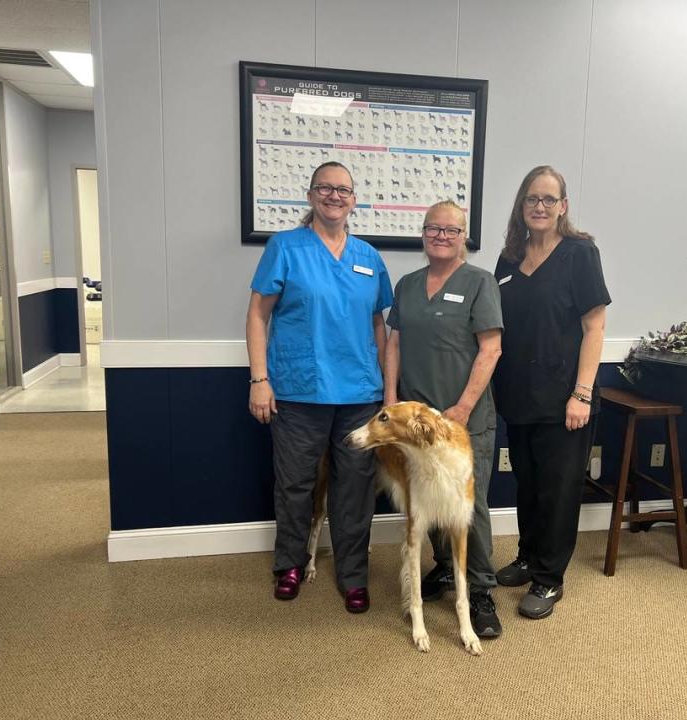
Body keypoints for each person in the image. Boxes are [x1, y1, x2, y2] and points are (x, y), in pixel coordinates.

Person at [246, 161, 393, 613]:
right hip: (297, 390)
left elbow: (379, 326)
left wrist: (388, 391)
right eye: (325, 188)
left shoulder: (368, 257)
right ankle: (288, 564)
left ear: (354, 200)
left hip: (359, 395)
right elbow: (257, 315)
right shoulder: (284, 248)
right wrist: (259, 380)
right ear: (310, 196)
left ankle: (353, 575)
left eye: (343, 190)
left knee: (355, 488)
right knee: (295, 484)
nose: (334, 196)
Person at [492, 165, 611, 620]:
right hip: (519, 394)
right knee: (528, 483)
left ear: (563, 206)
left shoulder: (580, 253)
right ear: (521, 207)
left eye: (548, 199)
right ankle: (527, 556)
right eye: (531, 199)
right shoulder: (508, 258)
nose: (539, 207)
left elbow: (594, 326)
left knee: (559, 490)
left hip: (566, 397)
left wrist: (581, 394)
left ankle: (549, 578)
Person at [384, 200, 504, 638]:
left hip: (462, 420)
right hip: (417, 423)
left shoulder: (479, 283)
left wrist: (464, 407)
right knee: (428, 500)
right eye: (433, 228)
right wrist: (391, 398)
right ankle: (444, 567)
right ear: (423, 233)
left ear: (463, 237)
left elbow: (491, 349)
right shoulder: (408, 285)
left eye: (450, 230)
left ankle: (481, 590)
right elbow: (394, 343)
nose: (441, 236)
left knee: (469, 507)